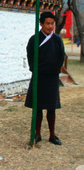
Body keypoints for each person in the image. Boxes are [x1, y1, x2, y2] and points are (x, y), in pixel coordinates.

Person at [25, 11, 65, 145]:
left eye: (52, 23)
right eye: (47, 23)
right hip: (39, 77)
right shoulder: (34, 39)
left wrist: (55, 70)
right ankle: (37, 134)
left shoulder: (57, 40)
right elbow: (30, 57)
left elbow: (61, 57)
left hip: (52, 78)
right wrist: (36, 70)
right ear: (41, 24)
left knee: (51, 108)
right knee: (38, 107)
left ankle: (52, 135)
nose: (50, 26)